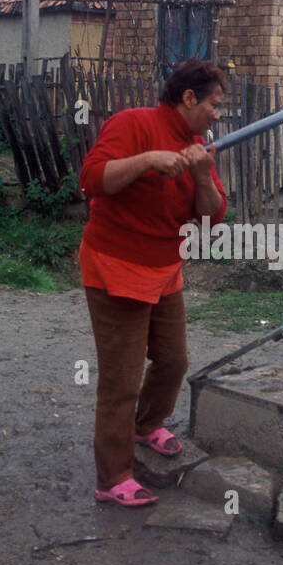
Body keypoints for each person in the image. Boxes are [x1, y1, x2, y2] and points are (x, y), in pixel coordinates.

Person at [78, 59, 229, 507]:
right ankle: (113, 477)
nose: (218, 114)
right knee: (121, 379)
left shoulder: (198, 145)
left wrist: (202, 175)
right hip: (115, 266)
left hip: (164, 270)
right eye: (214, 105)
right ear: (188, 98)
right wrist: (145, 162)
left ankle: (146, 425)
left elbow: (210, 218)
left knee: (173, 360)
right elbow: (91, 181)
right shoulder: (133, 124)